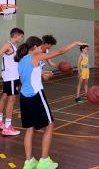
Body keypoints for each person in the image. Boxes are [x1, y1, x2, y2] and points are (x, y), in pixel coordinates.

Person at [15, 36, 86, 169]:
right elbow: (59, 52)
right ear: (35, 47)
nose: (42, 49)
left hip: (24, 97)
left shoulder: (22, 60)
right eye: (40, 47)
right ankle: (44, 161)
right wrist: (75, 42)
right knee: (50, 125)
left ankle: (29, 162)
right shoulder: (35, 57)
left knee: (30, 129)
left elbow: (28, 76)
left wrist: (42, 74)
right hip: (36, 95)